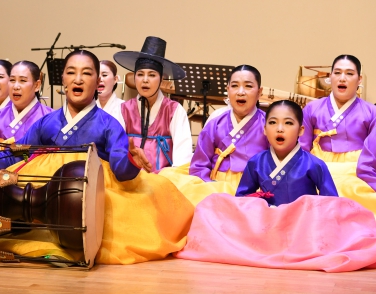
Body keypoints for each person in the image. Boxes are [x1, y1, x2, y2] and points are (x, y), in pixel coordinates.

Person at [0, 50, 194, 265]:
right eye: (71, 72)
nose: (78, 79)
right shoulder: (47, 123)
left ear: (98, 83)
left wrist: (133, 160)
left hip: (90, 198)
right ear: (63, 80)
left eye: (86, 73)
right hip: (46, 194)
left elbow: (120, 170)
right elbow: (14, 158)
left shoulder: (109, 125)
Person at [176, 100, 376, 272]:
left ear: (301, 130)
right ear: (265, 129)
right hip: (266, 230)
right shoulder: (255, 162)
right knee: (211, 205)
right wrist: (258, 201)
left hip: (302, 231)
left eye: (288, 123)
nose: (280, 129)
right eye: (273, 123)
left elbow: (332, 205)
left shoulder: (314, 164)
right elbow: (241, 200)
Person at [159, 65, 269, 206]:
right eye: (234, 86)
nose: (241, 92)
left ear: (259, 92)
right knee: (166, 178)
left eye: (248, 86)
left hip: (250, 189)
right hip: (214, 185)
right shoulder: (216, 122)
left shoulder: (267, 124)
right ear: (228, 90)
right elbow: (199, 165)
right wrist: (209, 186)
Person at [299, 54, 376, 215]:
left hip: (356, 172)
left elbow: (370, 157)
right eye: (337, 73)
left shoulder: (371, 112)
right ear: (330, 76)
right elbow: (302, 150)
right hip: (318, 169)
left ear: (359, 79)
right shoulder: (312, 109)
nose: (342, 78)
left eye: (349, 73)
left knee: (355, 196)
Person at [114, 36, 192, 172]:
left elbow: (182, 160)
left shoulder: (174, 110)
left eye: (151, 75)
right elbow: (115, 151)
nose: (145, 80)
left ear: (161, 79)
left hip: (165, 180)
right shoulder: (123, 109)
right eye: (140, 74)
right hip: (130, 178)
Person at [0, 61, 52, 150]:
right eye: (12, 80)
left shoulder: (50, 118)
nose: (16, 86)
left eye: (22, 80)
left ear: (36, 85)